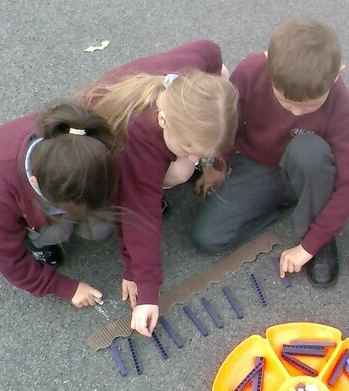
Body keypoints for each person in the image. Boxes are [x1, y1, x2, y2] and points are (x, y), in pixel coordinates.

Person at [190, 19, 349, 288]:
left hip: (306, 170)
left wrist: (310, 245)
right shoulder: (251, 70)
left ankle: (318, 230)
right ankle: (279, 203)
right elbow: (226, 123)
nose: (295, 114)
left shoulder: (341, 105)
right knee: (207, 237)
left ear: (337, 74)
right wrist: (216, 164)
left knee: (308, 151)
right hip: (254, 165)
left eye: (309, 107)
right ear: (267, 60)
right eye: (285, 102)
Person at [83, 40, 238, 337]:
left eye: (201, 153)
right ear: (164, 121)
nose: (196, 159)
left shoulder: (198, 63)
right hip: (102, 148)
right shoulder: (137, 142)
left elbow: (213, 52)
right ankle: (166, 174)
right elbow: (138, 213)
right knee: (180, 171)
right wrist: (142, 282)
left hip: (158, 116)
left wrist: (214, 163)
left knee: (224, 78)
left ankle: (193, 148)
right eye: (191, 149)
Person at [0, 102, 118, 308]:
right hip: (20, 202)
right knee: (57, 231)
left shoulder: (87, 141)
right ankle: (37, 239)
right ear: (35, 182)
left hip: (52, 189)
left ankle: (71, 214)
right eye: (69, 208)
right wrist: (64, 287)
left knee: (101, 227)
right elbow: (9, 260)